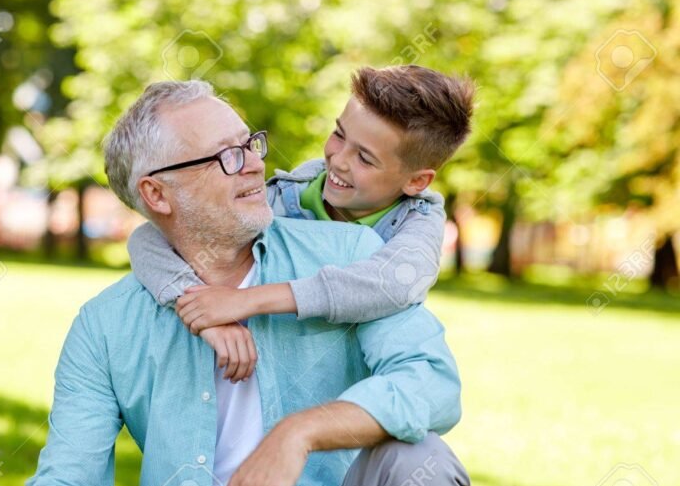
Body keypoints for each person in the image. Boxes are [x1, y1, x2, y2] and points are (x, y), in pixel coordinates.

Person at [25, 80, 469, 486]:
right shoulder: (106, 325)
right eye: (227, 157)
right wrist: (192, 303)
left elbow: (433, 385)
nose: (257, 165)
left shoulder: (354, 254)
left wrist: (300, 432)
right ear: (157, 194)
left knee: (420, 460)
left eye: (249, 145)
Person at [127, 66, 474, 383]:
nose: (338, 160)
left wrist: (246, 301)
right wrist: (200, 309)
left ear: (416, 182)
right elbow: (147, 240)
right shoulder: (284, 199)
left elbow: (393, 284)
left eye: (365, 158)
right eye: (339, 134)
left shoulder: (417, 222)